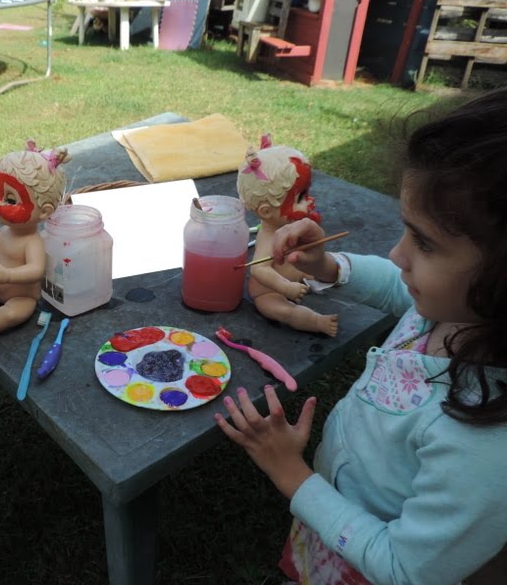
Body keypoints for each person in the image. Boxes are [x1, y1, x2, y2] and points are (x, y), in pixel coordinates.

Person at [217, 89, 507, 585]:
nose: (397, 254)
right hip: (339, 514)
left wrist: (292, 475)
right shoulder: (458, 310)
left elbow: (402, 567)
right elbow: (399, 288)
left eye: (425, 243)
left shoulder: (484, 440)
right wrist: (330, 266)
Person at [237, 136, 338, 337]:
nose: (310, 200)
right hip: (269, 292)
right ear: (266, 212)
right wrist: (286, 287)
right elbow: (259, 269)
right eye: (300, 197)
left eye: (307, 192)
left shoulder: (294, 226)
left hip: (298, 281)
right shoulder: (269, 236)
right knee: (284, 311)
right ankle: (317, 322)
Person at [0, 140, 69, 336]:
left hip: (21, 296)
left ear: (44, 212)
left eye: (10, 199)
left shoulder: (32, 241)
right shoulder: (5, 232)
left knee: (11, 315)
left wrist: (7, 275)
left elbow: (35, 270)